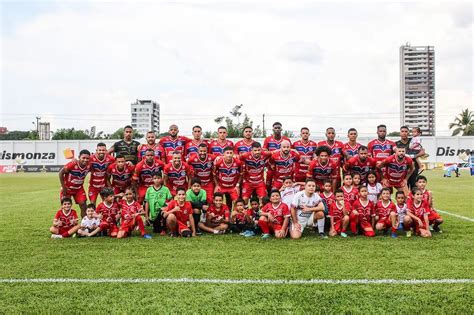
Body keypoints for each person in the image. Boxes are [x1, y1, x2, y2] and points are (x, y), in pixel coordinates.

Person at [58, 149, 90, 217]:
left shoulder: (89, 165)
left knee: (83, 205)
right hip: (67, 188)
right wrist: (63, 187)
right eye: (83, 158)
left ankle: (84, 224)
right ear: (79, 157)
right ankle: (65, 224)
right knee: (65, 207)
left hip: (79, 189)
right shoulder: (72, 164)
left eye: (87, 158)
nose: (85, 160)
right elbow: (61, 173)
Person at [263, 122, 292, 191]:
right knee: (268, 183)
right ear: (273, 129)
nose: (277, 129)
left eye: (279, 128)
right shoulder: (268, 139)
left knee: (283, 182)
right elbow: (264, 152)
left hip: (283, 165)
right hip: (271, 165)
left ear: (281, 129)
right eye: (275, 128)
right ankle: (270, 197)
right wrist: (273, 152)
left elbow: (291, 150)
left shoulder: (286, 140)